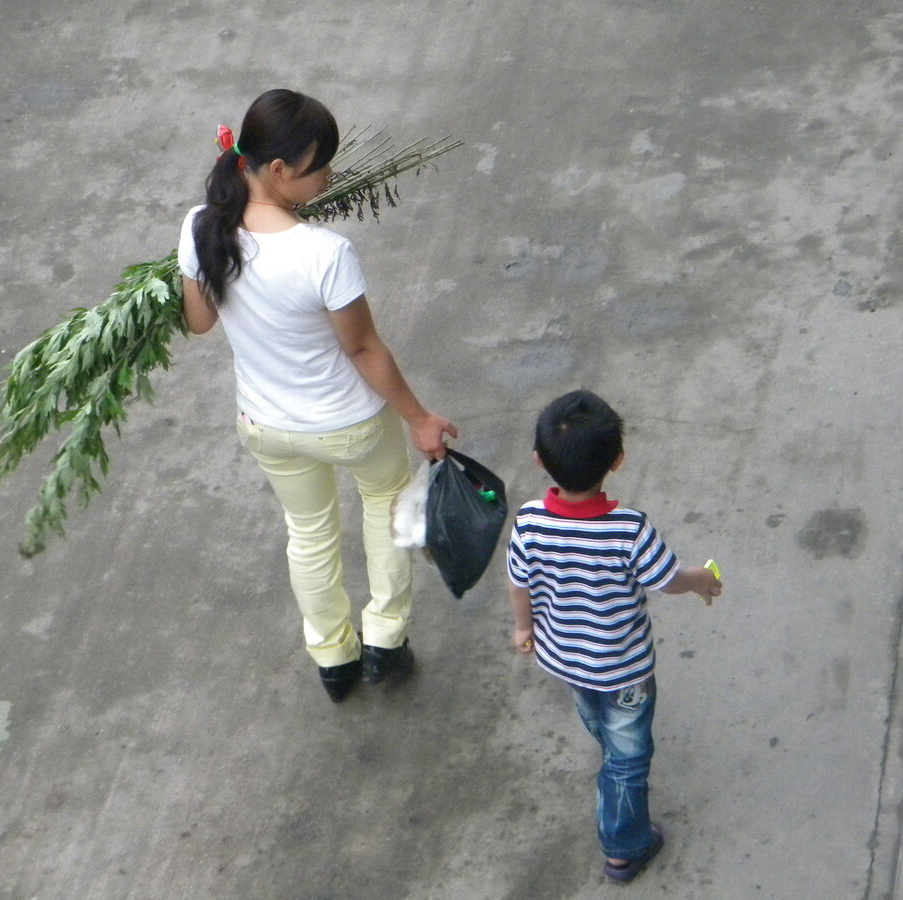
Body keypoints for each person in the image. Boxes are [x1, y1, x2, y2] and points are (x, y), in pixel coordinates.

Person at [177, 89, 458, 703]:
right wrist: (419, 418)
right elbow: (364, 351)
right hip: (349, 423)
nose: (329, 177)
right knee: (384, 505)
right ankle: (386, 638)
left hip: (267, 424)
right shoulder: (325, 254)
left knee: (308, 531)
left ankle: (333, 657)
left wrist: (189, 267)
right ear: (277, 171)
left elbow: (198, 322)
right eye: (318, 167)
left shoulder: (201, 227)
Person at [506, 390, 722, 882]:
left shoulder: (529, 523)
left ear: (539, 460)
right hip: (623, 668)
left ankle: (611, 752)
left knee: (599, 720)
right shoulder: (629, 529)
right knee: (628, 760)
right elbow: (668, 580)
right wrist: (702, 580)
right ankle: (625, 846)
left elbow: (519, 583)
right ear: (617, 461)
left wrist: (524, 627)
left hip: (564, 657)